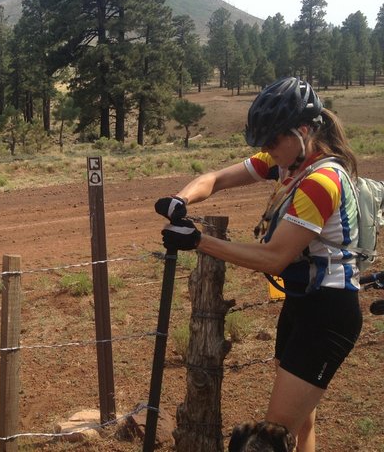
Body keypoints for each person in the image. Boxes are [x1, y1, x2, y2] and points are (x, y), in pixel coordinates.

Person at [155, 77, 363, 452]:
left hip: (329, 312)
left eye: (272, 141)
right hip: (302, 304)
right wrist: (180, 199)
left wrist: (199, 241)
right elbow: (216, 179)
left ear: (302, 131)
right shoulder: (285, 161)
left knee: (269, 439)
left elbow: (275, 258)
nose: (267, 150)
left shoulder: (322, 181)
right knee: (301, 424)